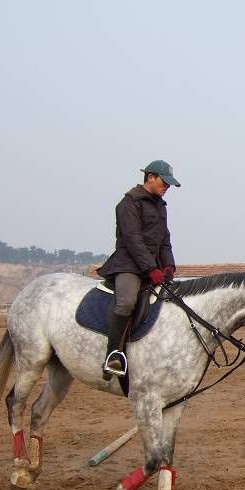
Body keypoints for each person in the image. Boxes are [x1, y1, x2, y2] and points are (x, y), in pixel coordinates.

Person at [97, 160, 181, 378]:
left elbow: (164, 240)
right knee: (126, 303)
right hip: (128, 265)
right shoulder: (129, 203)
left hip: (151, 266)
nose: (167, 187)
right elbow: (133, 240)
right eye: (165, 182)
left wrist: (169, 265)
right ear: (150, 177)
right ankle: (113, 355)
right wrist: (152, 269)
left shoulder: (160, 206)